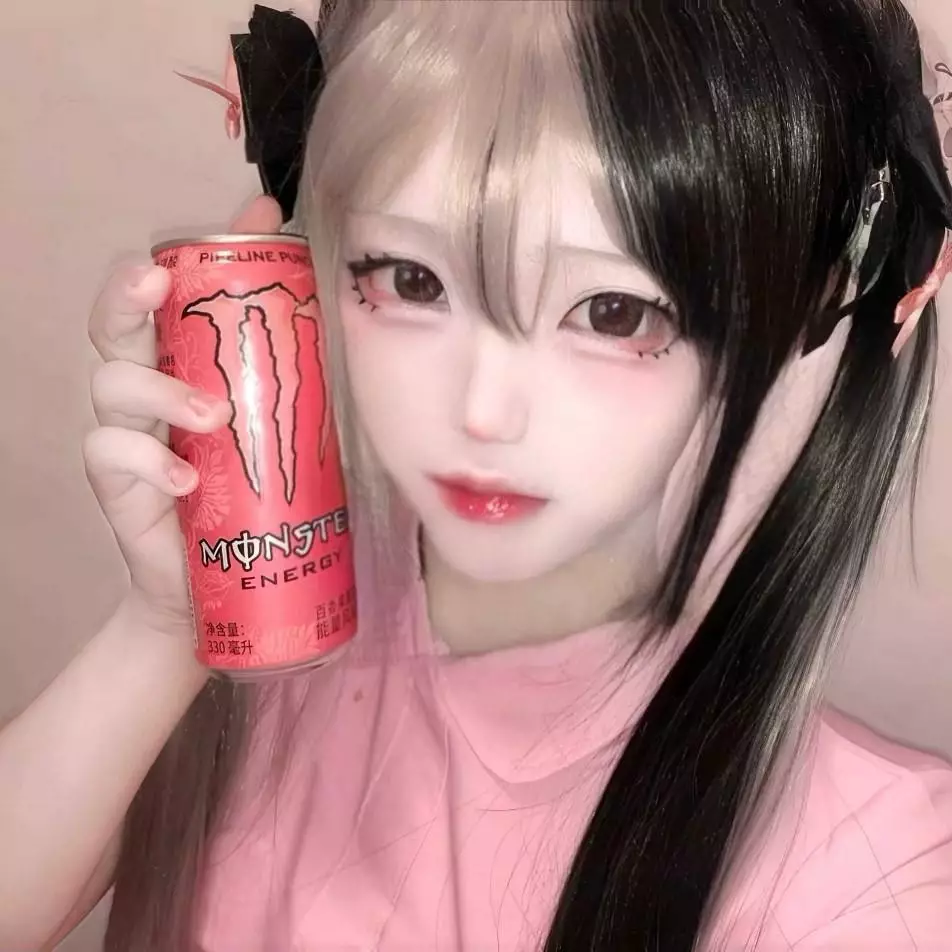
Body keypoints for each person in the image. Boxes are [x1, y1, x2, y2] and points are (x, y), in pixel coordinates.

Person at [2, 1, 952, 949]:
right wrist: (169, 625)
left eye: (613, 313)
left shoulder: (875, 876)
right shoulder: (288, 622)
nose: (481, 410)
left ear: (814, 328)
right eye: (412, 280)